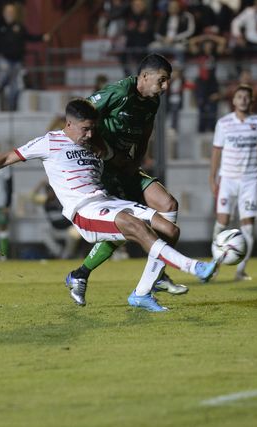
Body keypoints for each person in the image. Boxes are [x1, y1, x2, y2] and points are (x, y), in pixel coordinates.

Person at [0, 99, 218, 312]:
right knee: (133, 226)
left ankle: (141, 294)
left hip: (109, 201)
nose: (89, 134)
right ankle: (194, 267)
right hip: (84, 210)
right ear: (68, 124)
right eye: (85, 128)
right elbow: (7, 157)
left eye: (92, 128)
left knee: (170, 230)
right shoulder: (49, 142)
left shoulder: (95, 143)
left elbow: (119, 164)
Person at [65, 54, 189, 303]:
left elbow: (145, 135)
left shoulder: (151, 102)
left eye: (167, 82)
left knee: (169, 205)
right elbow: (80, 118)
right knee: (126, 229)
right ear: (144, 76)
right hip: (106, 169)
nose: (165, 87)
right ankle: (80, 274)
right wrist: (104, 151)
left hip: (126, 165)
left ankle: (158, 271)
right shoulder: (119, 92)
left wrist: (137, 161)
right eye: (162, 80)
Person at [208, 84, 257, 281]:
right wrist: (212, 177)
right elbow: (217, 151)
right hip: (227, 178)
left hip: (250, 181)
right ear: (233, 101)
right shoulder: (224, 123)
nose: (243, 99)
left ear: (251, 101)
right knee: (222, 222)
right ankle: (215, 265)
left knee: (248, 227)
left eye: (246, 97)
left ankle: (240, 270)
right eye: (239, 96)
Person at [0, 2, 50, 111]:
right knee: (2, 83)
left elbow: (29, 37)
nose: (10, 14)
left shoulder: (19, 26)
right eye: (8, 12)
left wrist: (42, 37)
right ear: (4, 14)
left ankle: (12, 106)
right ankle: (2, 100)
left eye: (12, 12)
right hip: (4, 60)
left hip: (17, 61)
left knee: (17, 86)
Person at [31, 180, 82, 259]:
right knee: (44, 232)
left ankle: (67, 255)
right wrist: (40, 184)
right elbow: (32, 197)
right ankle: (59, 253)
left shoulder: (61, 199)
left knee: (75, 233)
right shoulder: (45, 200)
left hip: (67, 229)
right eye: (48, 191)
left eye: (51, 191)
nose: (50, 193)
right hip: (55, 229)